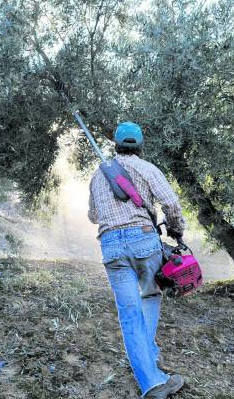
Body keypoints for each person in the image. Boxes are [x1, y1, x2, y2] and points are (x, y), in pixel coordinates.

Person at [87, 121, 186, 399]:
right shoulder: (147, 168)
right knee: (150, 295)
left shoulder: (98, 176)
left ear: (115, 145)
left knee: (129, 315)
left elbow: (93, 216)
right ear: (140, 145)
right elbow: (171, 204)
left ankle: (150, 376)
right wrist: (176, 230)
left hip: (111, 246)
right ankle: (153, 372)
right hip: (143, 240)